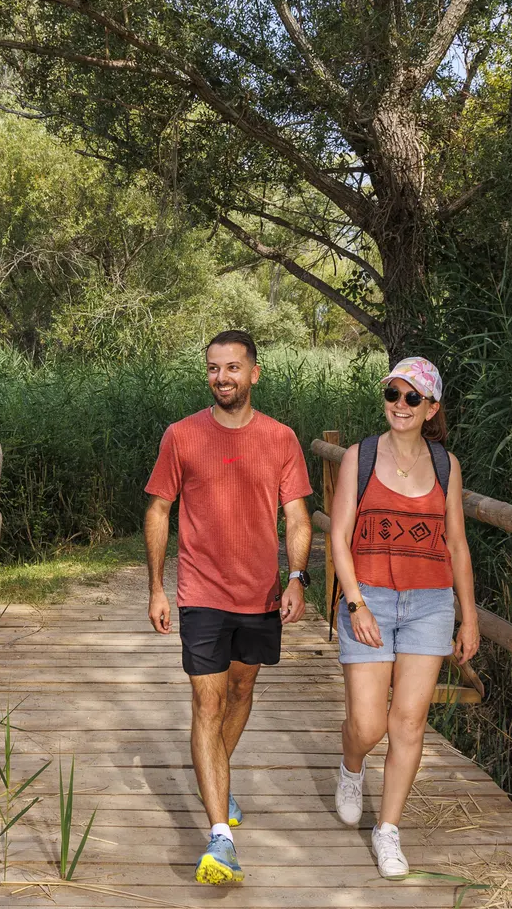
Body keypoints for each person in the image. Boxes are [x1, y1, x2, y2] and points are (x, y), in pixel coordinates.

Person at [144, 330, 314, 885]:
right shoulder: (181, 436)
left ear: (254, 374)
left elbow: (297, 518)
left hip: (260, 593)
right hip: (201, 593)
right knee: (207, 703)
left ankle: (217, 777)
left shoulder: (281, 439)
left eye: (233, 368)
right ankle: (220, 837)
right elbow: (159, 510)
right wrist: (156, 586)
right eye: (214, 368)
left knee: (241, 691)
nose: (222, 377)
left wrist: (296, 578)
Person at [325, 356, 480, 878]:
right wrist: (355, 602)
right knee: (368, 725)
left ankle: (387, 829)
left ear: (432, 407)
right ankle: (351, 766)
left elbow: (456, 545)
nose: (400, 405)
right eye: (393, 394)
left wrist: (470, 618)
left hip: (430, 603)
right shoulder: (360, 457)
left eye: (413, 398)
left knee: (409, 722)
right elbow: (338, 536)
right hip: (368, 597)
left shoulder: (446, 465)